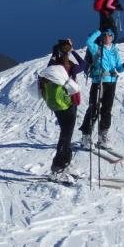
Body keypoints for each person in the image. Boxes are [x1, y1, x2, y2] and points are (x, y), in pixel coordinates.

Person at [37, 38, 86, 174]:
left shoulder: (52, 68)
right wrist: (73, 51)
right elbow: (84, 64)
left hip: (55, 106)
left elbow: (49, 65)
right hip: (69, 104)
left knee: (64, 133)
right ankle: (58, 166)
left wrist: (55, 52)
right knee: (66, 135)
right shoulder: (70, 67)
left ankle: (64, 161)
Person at [80, 28, 124, 148]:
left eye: (109, 35)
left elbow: (118, 67)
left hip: (111, 82)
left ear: (112, 37)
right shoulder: (96, 48)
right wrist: (98, 31)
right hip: (99, 82)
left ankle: (103, 136)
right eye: (105, 35)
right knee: (94, 108)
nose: (106, 37)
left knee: (107, 110)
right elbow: (88, 42)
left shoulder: (114, 51)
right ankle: (86, 136)